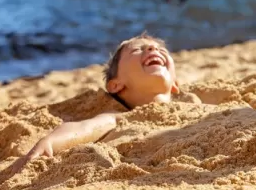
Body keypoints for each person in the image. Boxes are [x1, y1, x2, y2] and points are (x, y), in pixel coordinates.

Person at [15, 33, 188, 169]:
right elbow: (85, 127)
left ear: (175, 83)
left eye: (160, 49)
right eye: (137, 50)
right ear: (115, 85)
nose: (152, 48)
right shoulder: (121, 118)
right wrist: (50, 142)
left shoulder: (192, 104)